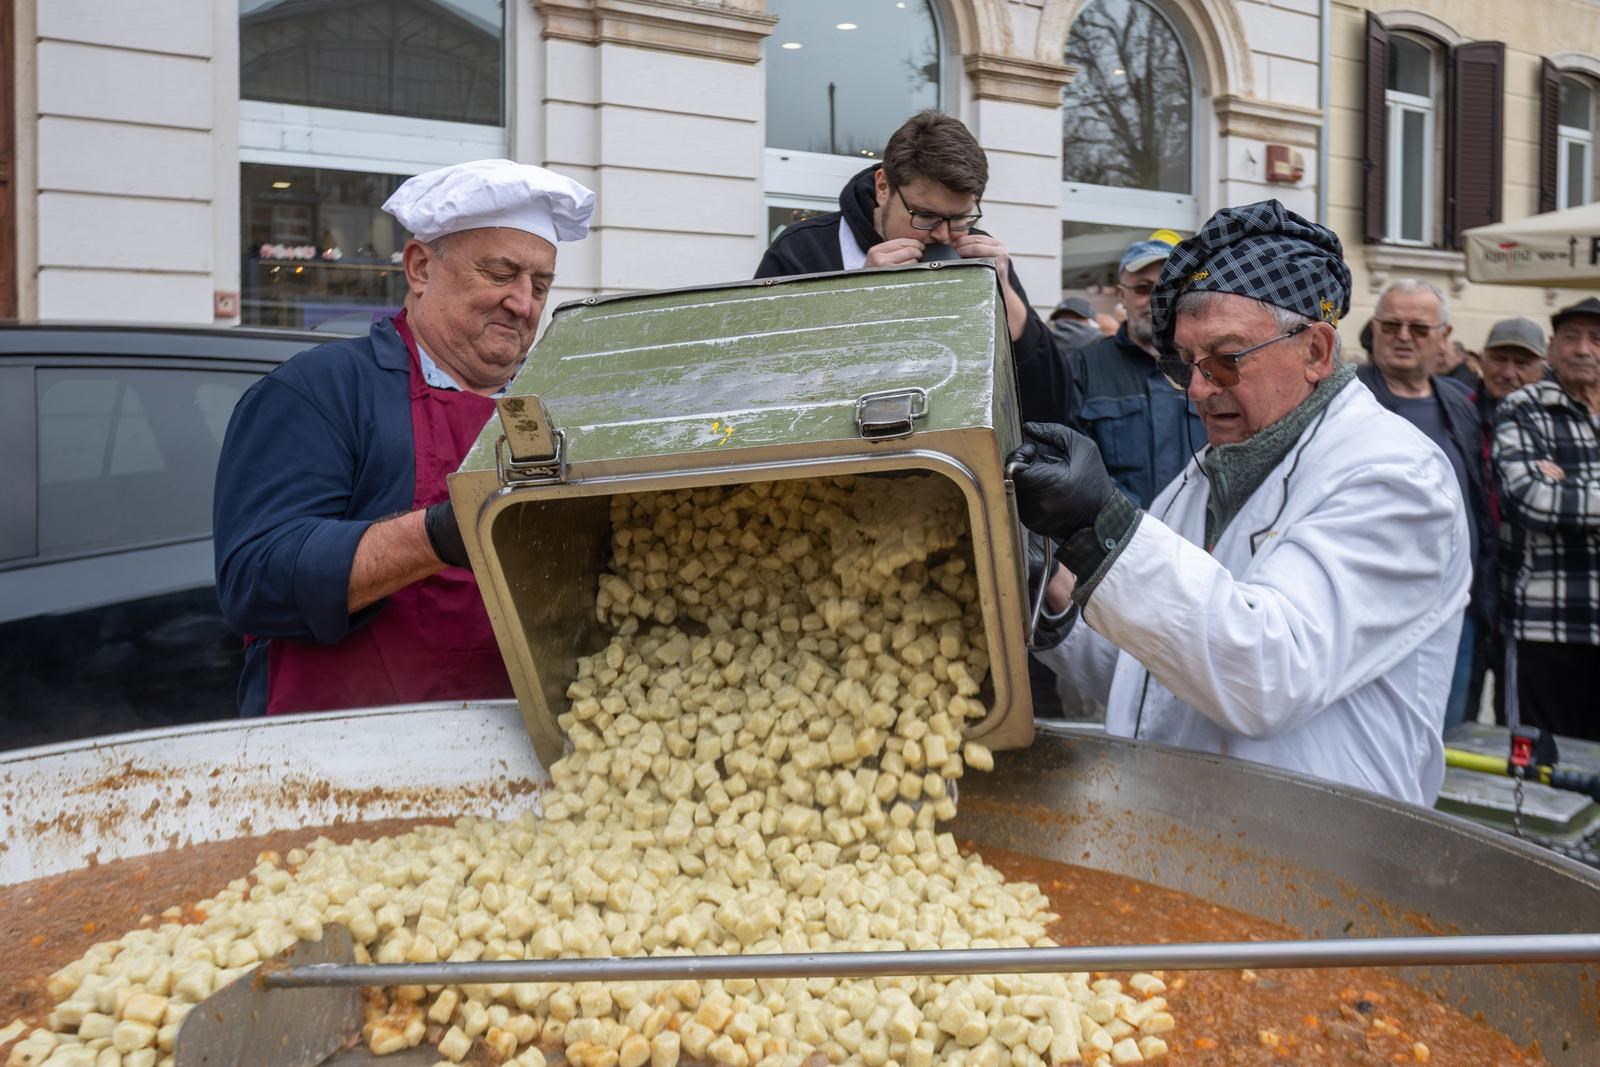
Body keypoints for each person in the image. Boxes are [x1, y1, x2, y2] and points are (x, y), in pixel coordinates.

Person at [1015, 200, 1470, 806]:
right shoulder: (1207, 473)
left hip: (1326, 860)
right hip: (1194, 837)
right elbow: (1150, 666)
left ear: (1314, 350)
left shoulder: (1395, 478)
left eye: (1226, 360)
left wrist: (1104, 528)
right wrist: (1040, 579)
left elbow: (1266, 674)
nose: (1200, 390)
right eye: (1186, 365)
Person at [214, 159, 595, 717]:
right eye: (499, 274)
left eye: (539, 285)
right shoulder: (319, 391)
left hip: (515, 753)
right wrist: (440, 534)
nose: (523, 303)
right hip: (338, 761)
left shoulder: (551, 413)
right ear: (419, 267)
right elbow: (256, 580)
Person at [754, 110, 1069, 424]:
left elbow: (1053, 409)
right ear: (883, 187)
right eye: (926, 217)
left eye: (959, 218)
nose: (943, 234)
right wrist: (854, 304)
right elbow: (758, 384)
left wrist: (1011, 310)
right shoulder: (802, 251)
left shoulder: (980, 258)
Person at [1356, 280, 1490, 730]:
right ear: (1374, 329)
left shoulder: (1458, 403)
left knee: (1445, 741)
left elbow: (1474, 494)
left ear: (1444, 336)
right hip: (1372, 612)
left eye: (1418, 327)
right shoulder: (1346, 399)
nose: (1403, 335)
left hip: (1454, 612)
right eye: (1391, 324)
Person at [1492, 296, 1600, 741]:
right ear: (1552, 347)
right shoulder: (1523, 408)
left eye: (1596, 339)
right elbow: (1530, 499)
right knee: (1538, 771)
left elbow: (1553, 499)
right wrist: (1549, 490)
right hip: (1545, 627)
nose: (1583, 349)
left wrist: (1568, 487)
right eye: (1571, 337)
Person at [1062, 235, 1204, 508]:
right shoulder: (1085, 366)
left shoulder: (1207, 364)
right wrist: (1139, 525)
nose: (1156, 300)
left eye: (1167, 288)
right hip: (1121, 540)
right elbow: (1078, 466)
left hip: (1199, 541)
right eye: (1143, 288)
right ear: (1121, 295)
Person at [1472, 318, 1549, 723]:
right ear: (1481, 360)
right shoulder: (1460, 413)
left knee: (1517, 719)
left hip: (1528, 601)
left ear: (1542, 366)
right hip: (1472, 592)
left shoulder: (1551, 425)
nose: (1508, 373)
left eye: (1522, 362)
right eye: (1499, 359)